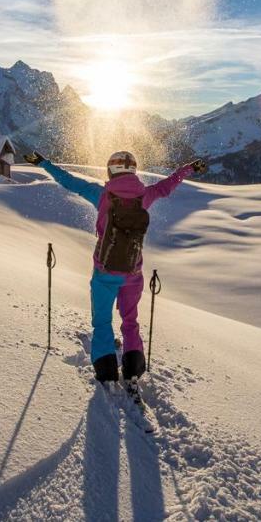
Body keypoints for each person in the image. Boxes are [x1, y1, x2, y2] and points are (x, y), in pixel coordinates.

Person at [25, 149, 206, 382]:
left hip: (104, 271)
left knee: (102, 321)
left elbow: (69, 181)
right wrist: (189, 168)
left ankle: (106, 370)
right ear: (133, 171)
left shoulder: (101, 195)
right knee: (130, 320)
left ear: (111, 171)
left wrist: (43, 163)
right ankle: (133, 368)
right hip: (133, 272)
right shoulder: (145, 196)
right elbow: (168, 186)